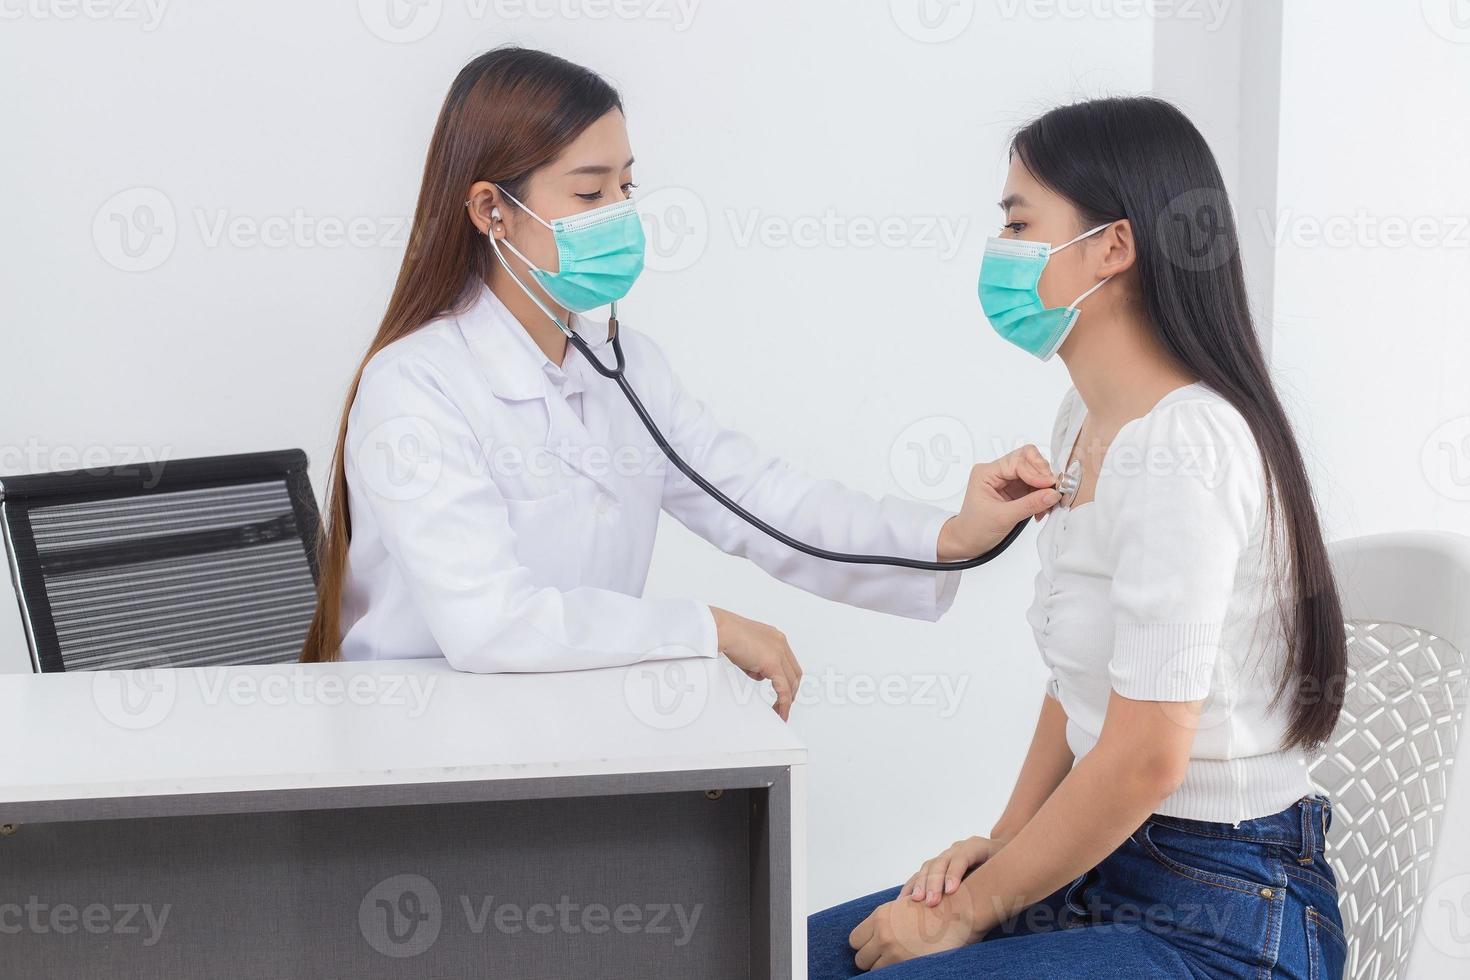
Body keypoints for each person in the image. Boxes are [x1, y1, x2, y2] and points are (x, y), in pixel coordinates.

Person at [298, 47, 1061, 721]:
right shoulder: (415, 387)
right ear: (492, 209)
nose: (621, 215)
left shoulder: (623, 370)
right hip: (411, 749)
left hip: (566, 726)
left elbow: (765, 503)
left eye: (627, 187)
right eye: (590, 194)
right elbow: (492, 626)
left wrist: (949, 538)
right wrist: (708, 627)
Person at [808, 96, 1348, 979]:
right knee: (796, 955)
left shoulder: (1185, 445)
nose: (1002, 252)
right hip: (1102, 859)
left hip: (1228, 910)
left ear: (1112, 248)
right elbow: (1081, 692)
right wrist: (1001, 847)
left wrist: (970, 915)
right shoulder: (1083, 423)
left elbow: (1144, 757)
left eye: (1020, 223)